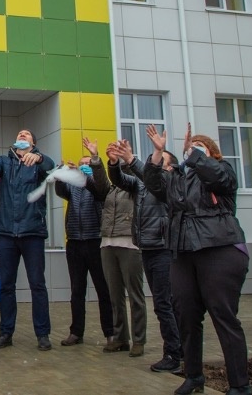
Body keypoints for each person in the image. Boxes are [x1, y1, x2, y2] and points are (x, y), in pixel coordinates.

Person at [144, 124, 252, 395]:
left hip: (219, 249)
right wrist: (158, 154)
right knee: (187, 317)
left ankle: (240, 385)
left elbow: (217, 176)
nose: (193, 151)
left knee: (223, 316)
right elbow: (154, 183)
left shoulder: (222, 170)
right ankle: (194, 377)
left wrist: (195, 154)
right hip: (183, 253)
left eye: (201, 148)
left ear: (209, 153)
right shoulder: (178, 178)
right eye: (191, 148)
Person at [108, 138, 184, 375]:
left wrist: (131, 160)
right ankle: (177, 350)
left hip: (163, 249)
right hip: (147, 248)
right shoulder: (142, 184)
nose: (153, 165)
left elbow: (153, 180)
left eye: (159, 162)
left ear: (169, 168)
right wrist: (113, 163)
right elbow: (120, 180)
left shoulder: (170, 182)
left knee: (164, 303)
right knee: (163, 303)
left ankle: (175, 353)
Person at [0, 129, 55, 351]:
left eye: (27, 134)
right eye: (20, 133)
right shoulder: (6, 161)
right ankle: (6, 333)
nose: (22, 134)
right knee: (6, 285)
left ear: (33, 142)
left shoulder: (39, 162)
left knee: (37, 285)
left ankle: (42, 334)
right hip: (6, 233)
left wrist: (39, 158)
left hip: (32, 232)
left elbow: (50, 167)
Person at [54, 137, 116, 348]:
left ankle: (110, 332)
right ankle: (76, 332)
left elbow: (99, 189)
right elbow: (60, 191)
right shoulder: (73, 186)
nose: (83, 167)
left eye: (87, 164)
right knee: (77, 290)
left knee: (103, 289)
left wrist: (92, 168)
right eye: (81, 165)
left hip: (95, 242)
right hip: (75, 243)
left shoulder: (99, 188)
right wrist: (62, 172)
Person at [96, 139, 147, 357]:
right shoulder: (112, 184)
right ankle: (120, 338)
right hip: (108, 243)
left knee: (135, 295)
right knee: (114, 295)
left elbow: (126, 180)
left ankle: (139, 339)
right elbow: (100, 186)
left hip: (130, 244)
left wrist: (123, 161)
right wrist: (99, 161)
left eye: (121, 151)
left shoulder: (138, 180)